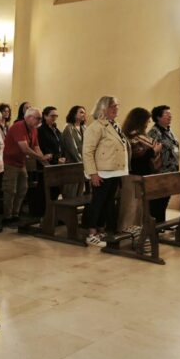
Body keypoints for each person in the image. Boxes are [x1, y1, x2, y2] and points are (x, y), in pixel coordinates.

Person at [82, 96, 129, 247]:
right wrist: (93, 173)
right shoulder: (95, 127)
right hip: (102, 171)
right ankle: (90, 233)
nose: (116, 109)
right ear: (103, 109)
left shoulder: (113, 125)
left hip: (114, 171)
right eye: (112, 106)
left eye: (117, 106)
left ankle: (100, 229)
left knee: (108, 202)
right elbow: (87, 152)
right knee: (97, 202)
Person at [2, 107, 50, 223]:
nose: (40, 121)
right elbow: (25, 149)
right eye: (38, 118)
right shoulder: (18, 126)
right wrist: (41, 158)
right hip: (10, 163)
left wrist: (46, 164)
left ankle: (15, 214)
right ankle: (7, 216)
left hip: (21, 163)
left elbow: (36, 147)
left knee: (23, 189)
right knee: (10, 190)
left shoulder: (33, 129)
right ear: (29, 117)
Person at [118, 107, 161, 232]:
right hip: (133, 174)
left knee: (140, 207)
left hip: (143, 174)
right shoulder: (130, 135)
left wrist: (153, 151)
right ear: (139, 120)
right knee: (131, 206)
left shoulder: (141, 135)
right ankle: (125, 230)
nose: (148, 124)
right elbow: (135, 157)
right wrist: (154, 151)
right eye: (147, 121)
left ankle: (136, 230)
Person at [147, 105, 180, 223]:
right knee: (158, 200)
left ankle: (161, 224)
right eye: (166, 114)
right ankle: (155, 225)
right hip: (160, 172)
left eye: (170, 113)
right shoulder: (154, 133)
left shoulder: (169, 130)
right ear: (158, 117)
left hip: (171, 171)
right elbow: (152, 153)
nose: (170, 116)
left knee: (165, 199)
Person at [61, 105, 86, 198]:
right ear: (74, 114)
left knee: (80, 191)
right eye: (81, 112)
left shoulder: (84, 128)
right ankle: (67, 212)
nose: (84, 114)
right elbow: (72, 148)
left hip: (82, 163)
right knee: (71, 191)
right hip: (73, 163)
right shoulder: (69, 128)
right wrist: (81, 162)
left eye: (84, 112)